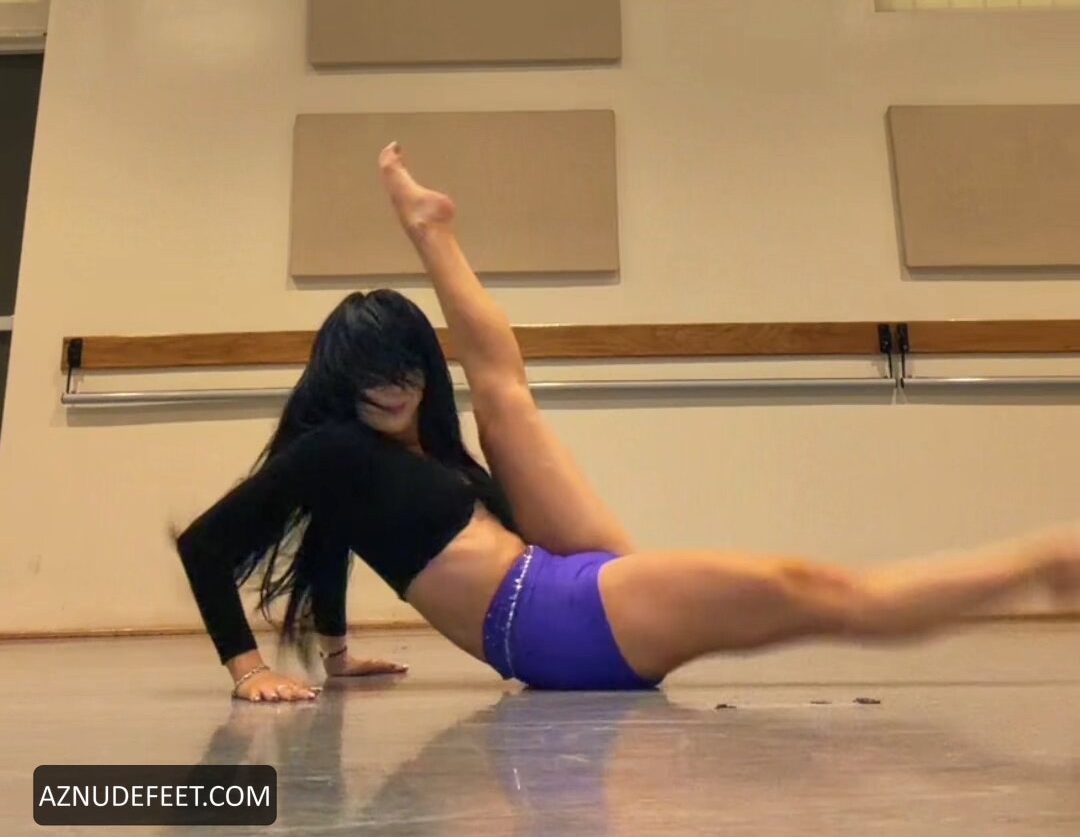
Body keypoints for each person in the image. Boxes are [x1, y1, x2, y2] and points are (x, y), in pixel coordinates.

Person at [176, 144, 1080, 700]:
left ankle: (431, 230)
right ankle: (1039, 564)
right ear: (341, 384)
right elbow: (205, 546)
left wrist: (336, 656)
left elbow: (329, 545)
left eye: (407, 367)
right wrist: (249, 670)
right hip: (550, 624)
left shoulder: (426, 454)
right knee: (815, 590)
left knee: (506, 398)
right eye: (371, 376)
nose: (395, 389)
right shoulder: (336, 451)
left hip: (564, 586)